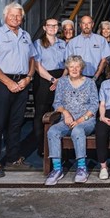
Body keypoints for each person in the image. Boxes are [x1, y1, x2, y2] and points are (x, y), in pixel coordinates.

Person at [0, 2, 36, 178]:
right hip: (2, 83)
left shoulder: (25, 35)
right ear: (5, 16)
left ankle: (13, 158)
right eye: (12, 15)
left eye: (19, 15)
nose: (16, 18)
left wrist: (28, 78)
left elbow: (32, 60)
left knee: (16, 123)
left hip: (22, 83)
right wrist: (8, 82)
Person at [44, 55, 98, 185]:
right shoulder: (62, 82)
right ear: (67, 68)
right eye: (71, 66)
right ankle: (57, 169)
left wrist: (80, 120)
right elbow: (57, 103)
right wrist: (66, 113)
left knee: (77, 131)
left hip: (86, 121)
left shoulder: (90, 82)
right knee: (52, 131)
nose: (74, 69)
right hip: (66, 121)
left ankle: (81, 168)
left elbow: (94, 105)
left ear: (81, 68)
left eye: (77, 66)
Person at [33, 18, 66, 157]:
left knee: (59, 112)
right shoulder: (38, 43)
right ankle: (42, 147)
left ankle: (57, 147)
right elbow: (36, 65)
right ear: (44, 27)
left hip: (61, 78)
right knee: (41, 114)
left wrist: (61, 80)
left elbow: (68, 64)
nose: (53, 27)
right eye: (49, 25)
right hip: (44, 79)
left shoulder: (63, 44)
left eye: (55, 25)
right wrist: (53, 80)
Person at [65, 14, 110, 80]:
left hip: (97, 78)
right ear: (80, 25)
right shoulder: (73, 42)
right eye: (84, 23)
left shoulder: (101, 40)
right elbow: (69, 62)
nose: (86, 26)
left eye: (89, 23)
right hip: (78, 78)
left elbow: (104, 60)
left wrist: (96, 76)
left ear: (92, 24)